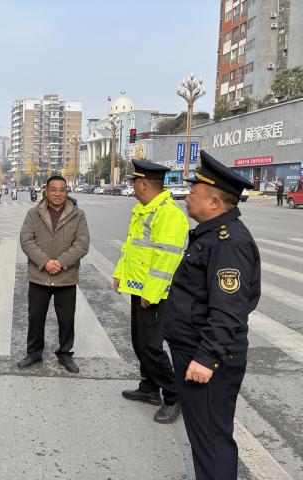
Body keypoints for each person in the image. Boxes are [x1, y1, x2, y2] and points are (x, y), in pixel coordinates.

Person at [163, 151, 260, 480]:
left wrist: (206, 358)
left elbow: (228, 310)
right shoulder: (211, 235)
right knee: (204, 436)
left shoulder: (228, 243)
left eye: (193, 193)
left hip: (205, 357)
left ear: (215, 203)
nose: (187, 198)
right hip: (193, 348)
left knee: (211, 441)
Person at [113, 160, 189, 424]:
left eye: (134, 182)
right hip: (140, 287)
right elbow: (132, 247)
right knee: (139, 342)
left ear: (144, 183)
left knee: (150, 346)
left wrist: (152, 292)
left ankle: (174, 395)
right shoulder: (145, 209)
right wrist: (120, 273)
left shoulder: (168, 214)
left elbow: (166, 258)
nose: (132, 187)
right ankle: (149, 387)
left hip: (155, 293)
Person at [18, 175, 90, 374]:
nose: (58, 194)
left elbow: (82, 244)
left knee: (66, 319)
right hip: (39, 276)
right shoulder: (33, 214)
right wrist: (45, 262)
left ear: (67, 192)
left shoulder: (78, 215)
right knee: (35, 317)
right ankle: (34, 353)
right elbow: (26, 241)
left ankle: (65, 354)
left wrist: (60, 263)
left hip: (65, 277)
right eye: (53, 189)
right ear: (46, 191)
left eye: (62, 190)